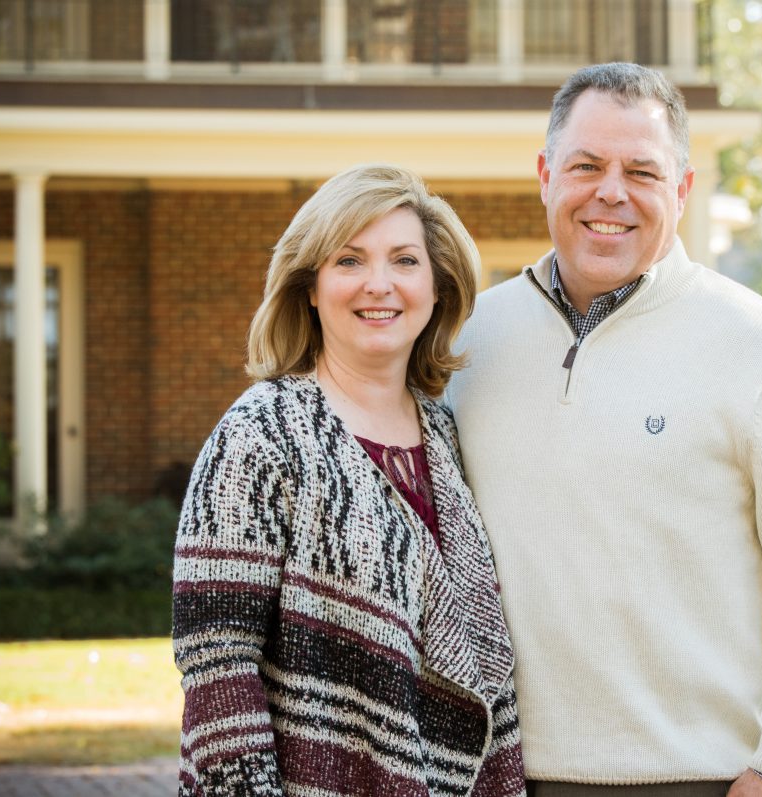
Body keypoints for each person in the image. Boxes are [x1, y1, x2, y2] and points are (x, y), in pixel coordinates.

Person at [445, 63, 762, 797]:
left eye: (641, 171)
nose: (610, 191)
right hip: (496, 778)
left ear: (679, 190)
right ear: (546, 174)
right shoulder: (466, 342)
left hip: (701, 779)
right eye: (586, 165)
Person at [172, 164, 526, 797]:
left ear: (439, 286)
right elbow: (219, 669)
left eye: (404, 261)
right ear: (310, 287)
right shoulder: (260, 435)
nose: (379, 285)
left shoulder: (447, 435)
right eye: (350, 261)